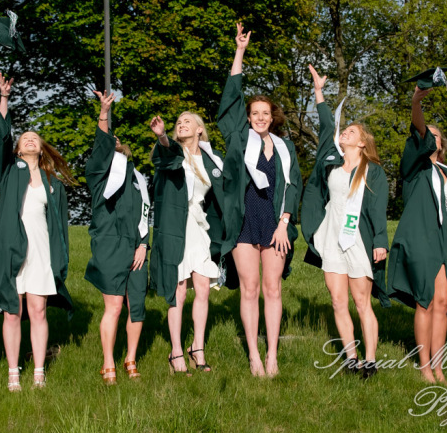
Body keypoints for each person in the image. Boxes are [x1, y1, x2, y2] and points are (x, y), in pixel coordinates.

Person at [218, 23, 301, 377]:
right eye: (255, 114)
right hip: (244, 220)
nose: (261, 118)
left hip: (274, 222)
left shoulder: (285, 148)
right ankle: (253, 355)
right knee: (249, 289)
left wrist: (285, 222)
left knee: (273, 288)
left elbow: (293, 185)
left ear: (273, 117)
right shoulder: (239, 139)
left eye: (266, 113)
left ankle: (273, 356)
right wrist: (240, 52)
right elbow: (230, 99)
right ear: (248, 119)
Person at [301, 65, 389, 378]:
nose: (345, 133)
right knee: (338, 302)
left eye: (352, 132)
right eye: (345, 131)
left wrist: (380, 240)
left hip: (359, 242)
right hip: (332, 240)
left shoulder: (373, 171)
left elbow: (379, 208)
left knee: (361, 302)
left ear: (363, 142)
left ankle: (370, 360)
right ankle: (351, 359)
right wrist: (319, 92)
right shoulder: (334, 166)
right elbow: (327, 126)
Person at [0, 72, 75, 391]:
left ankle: (38, 372)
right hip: (11, 250)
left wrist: (60, 260)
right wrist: (4, 99)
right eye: (23, 137)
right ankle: (14, 372)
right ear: (18, 149)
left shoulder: (53, 185)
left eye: (34, 138)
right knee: (13, 311)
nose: (28, 139)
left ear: (40, 149)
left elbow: (60, 229)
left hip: (40, 252)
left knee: (38, 310)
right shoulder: (9, 173)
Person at [386, 80, 447, 384]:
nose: (430, 137)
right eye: (426, 134)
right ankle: (424, 367)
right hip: (420, 239)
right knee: (425, 299)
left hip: (446, 243)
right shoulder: (414, 168)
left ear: (442, 144)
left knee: (443, 303)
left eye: (436, 135)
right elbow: (418, 129)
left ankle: (439, 365)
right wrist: (416, 103)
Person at [149, 108, 226, 376]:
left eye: (187, 122)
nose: (181, 124)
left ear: (199, 130)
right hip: (175, 225)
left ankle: (198, 348)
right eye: (178, 122)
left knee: (203, 288)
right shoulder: (172, 153)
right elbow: (165, 160)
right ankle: (176, 351)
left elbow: (222, 192)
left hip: (199, 225)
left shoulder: (211, 159)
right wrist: (161, 137)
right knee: (179, 290)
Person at [84, 90, 149, 386]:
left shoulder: (138, 180)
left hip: (136, 248)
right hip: (109, 244)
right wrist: (103, 113)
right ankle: (108, 361)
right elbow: (101, 146)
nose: (116, 144)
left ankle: (130, 358)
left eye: (119, 142)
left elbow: (148, 215)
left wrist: (143, 245)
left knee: (136, 304)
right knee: (114, 306)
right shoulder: (100, 176)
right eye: (112, 142)